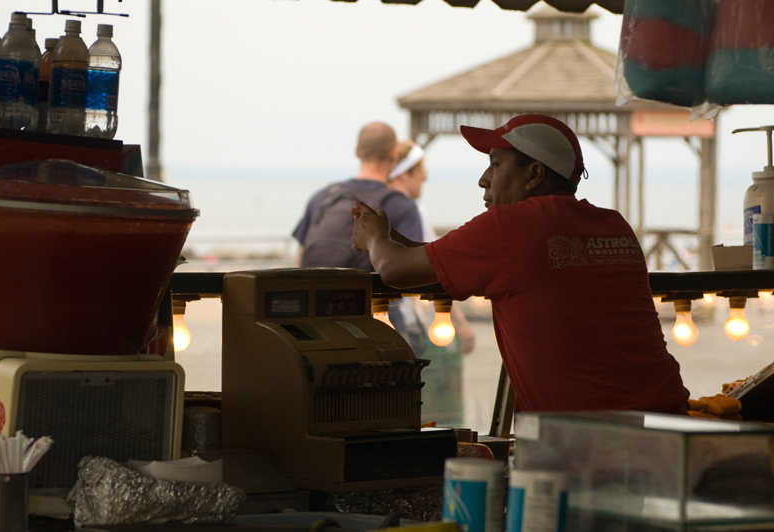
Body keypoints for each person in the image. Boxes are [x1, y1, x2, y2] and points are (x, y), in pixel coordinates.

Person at [351, 114, 691, 415]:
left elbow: (394, 271)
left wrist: (372, 238)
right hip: (667, 418)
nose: (484, 179)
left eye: (496, 164)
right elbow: (438, 256)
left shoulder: (511, 226)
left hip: (585, 436)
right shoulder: (613, 224)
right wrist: (389, 235)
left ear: (534, 175)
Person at [387, 139, 475, 426]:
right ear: (403, 173)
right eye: (419, 170)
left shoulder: (375, 208)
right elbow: (434, 269)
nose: (425, 177)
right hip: (403, 323)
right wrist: (458, 322)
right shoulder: (412, 211)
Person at [292, 121, 423, 273]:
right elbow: (411, 272)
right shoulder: (402, 206)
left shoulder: (321, 197)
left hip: (313, 294)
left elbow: (299, 262)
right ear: (394, 155)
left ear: (356, 152)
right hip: (364, 296)